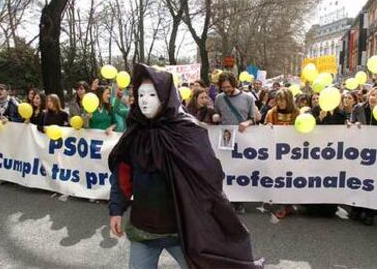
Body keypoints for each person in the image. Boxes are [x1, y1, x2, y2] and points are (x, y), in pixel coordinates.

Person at [108, 64, 264, 269]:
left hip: (183, 230)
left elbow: (209, 176)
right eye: (140, 94)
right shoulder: (135, 132)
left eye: (152, 94)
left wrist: (212, 213)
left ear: (165, 96)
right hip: (143, 228)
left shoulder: (186, 130)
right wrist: (116, 210)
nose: (144, 100)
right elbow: (122, 175)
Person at [212, 72, 256, 214]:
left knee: (241, 169)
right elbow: (217, 114)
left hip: (243, 138)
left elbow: (254, 118)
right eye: (223, 87)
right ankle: (228, 200)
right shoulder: (219, 98)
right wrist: (216, 116)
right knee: (227, 169)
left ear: (234, 84)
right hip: (226, 138)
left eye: (228, 87)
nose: (226, 90)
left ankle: (240, 201)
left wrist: (247, 122)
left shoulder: (248, 98)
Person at [349, 86, 377, 226]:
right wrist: (353, 125)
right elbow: (350, 124)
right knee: (359, 180)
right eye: (373, 94)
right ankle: (356, 208)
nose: (374, 98)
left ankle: (370, 212)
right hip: (360, 152)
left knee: (374, 182)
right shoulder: (358, 108)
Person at [264, 88, 299, 219]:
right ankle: (283, 203)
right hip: (276, 152)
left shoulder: (297, 113)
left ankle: (287, 204)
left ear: (289, 100)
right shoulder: (271, 113)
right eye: (278, 99)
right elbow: (266, 127)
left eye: (283, 99)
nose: (280, 102)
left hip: (293, 153)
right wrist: (267, 127)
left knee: (289, 178)